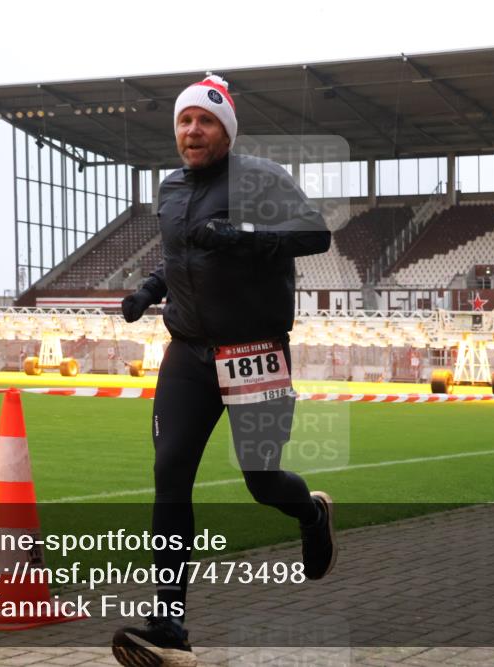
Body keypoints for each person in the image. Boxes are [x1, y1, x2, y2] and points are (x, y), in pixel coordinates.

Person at [111, 75, 337, 667]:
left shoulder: (260, 178)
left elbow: (315, 233)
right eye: (185, 121)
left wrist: (245, 235)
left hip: (253, 351)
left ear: (226, 130)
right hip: (187, 352)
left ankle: (311, 514)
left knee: (260, 481)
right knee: (170, 474)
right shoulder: (170, 188)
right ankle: (169, 624)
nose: (192, 130)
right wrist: (148, 289)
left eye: (205, 121)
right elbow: (179, 255)